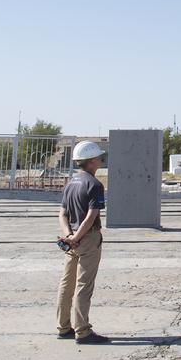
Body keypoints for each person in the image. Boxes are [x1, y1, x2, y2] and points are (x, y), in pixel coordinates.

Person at [56, 140, 108, 345]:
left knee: (66, 284)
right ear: (93, 160)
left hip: (71, 240)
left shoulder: (71, 183)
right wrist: (78, 237)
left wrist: (69, 236)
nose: (101, 160)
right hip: (87, 238)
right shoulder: (94, 185)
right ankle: (83, 331)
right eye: (100, 157)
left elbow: (62, 214)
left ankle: (63, 326)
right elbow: (91, 215)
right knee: (83, 286)